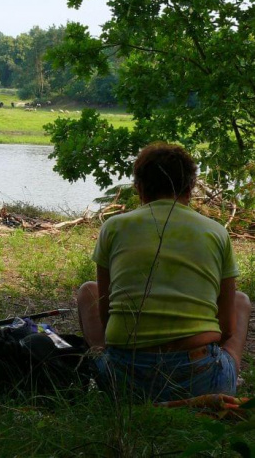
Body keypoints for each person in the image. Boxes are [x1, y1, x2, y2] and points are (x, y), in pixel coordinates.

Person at [77, 142, 251, 402]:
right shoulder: (216, 232)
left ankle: (117, 386)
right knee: (241, 301)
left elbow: (105, 316)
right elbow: (226, 328)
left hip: (127, 376)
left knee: (87, 291)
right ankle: (220, 389)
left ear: (139, 187)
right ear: (190, 188)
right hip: (200, 376)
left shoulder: (113, 228)